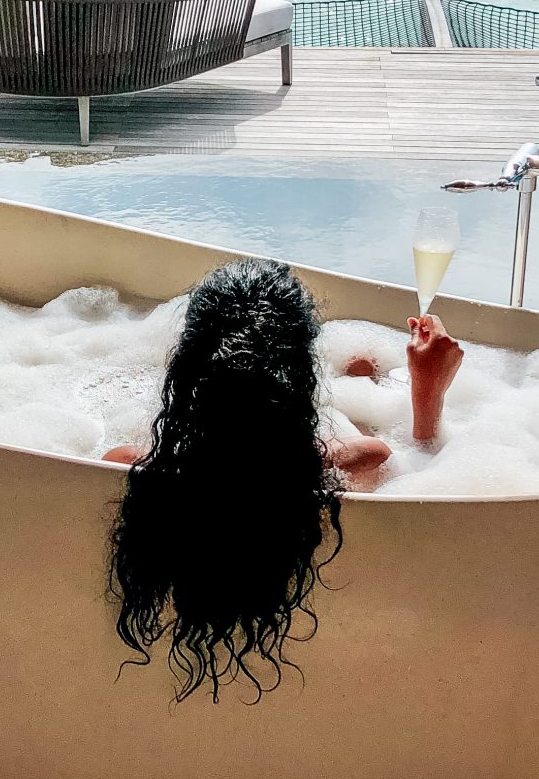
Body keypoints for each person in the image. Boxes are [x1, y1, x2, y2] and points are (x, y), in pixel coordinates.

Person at [105, 258, 463, 701]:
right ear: (302, 378)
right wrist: (428, 395)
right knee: (362, 367)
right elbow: (431, 489)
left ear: (186, 374)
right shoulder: (359, 464)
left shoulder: (128, 472)